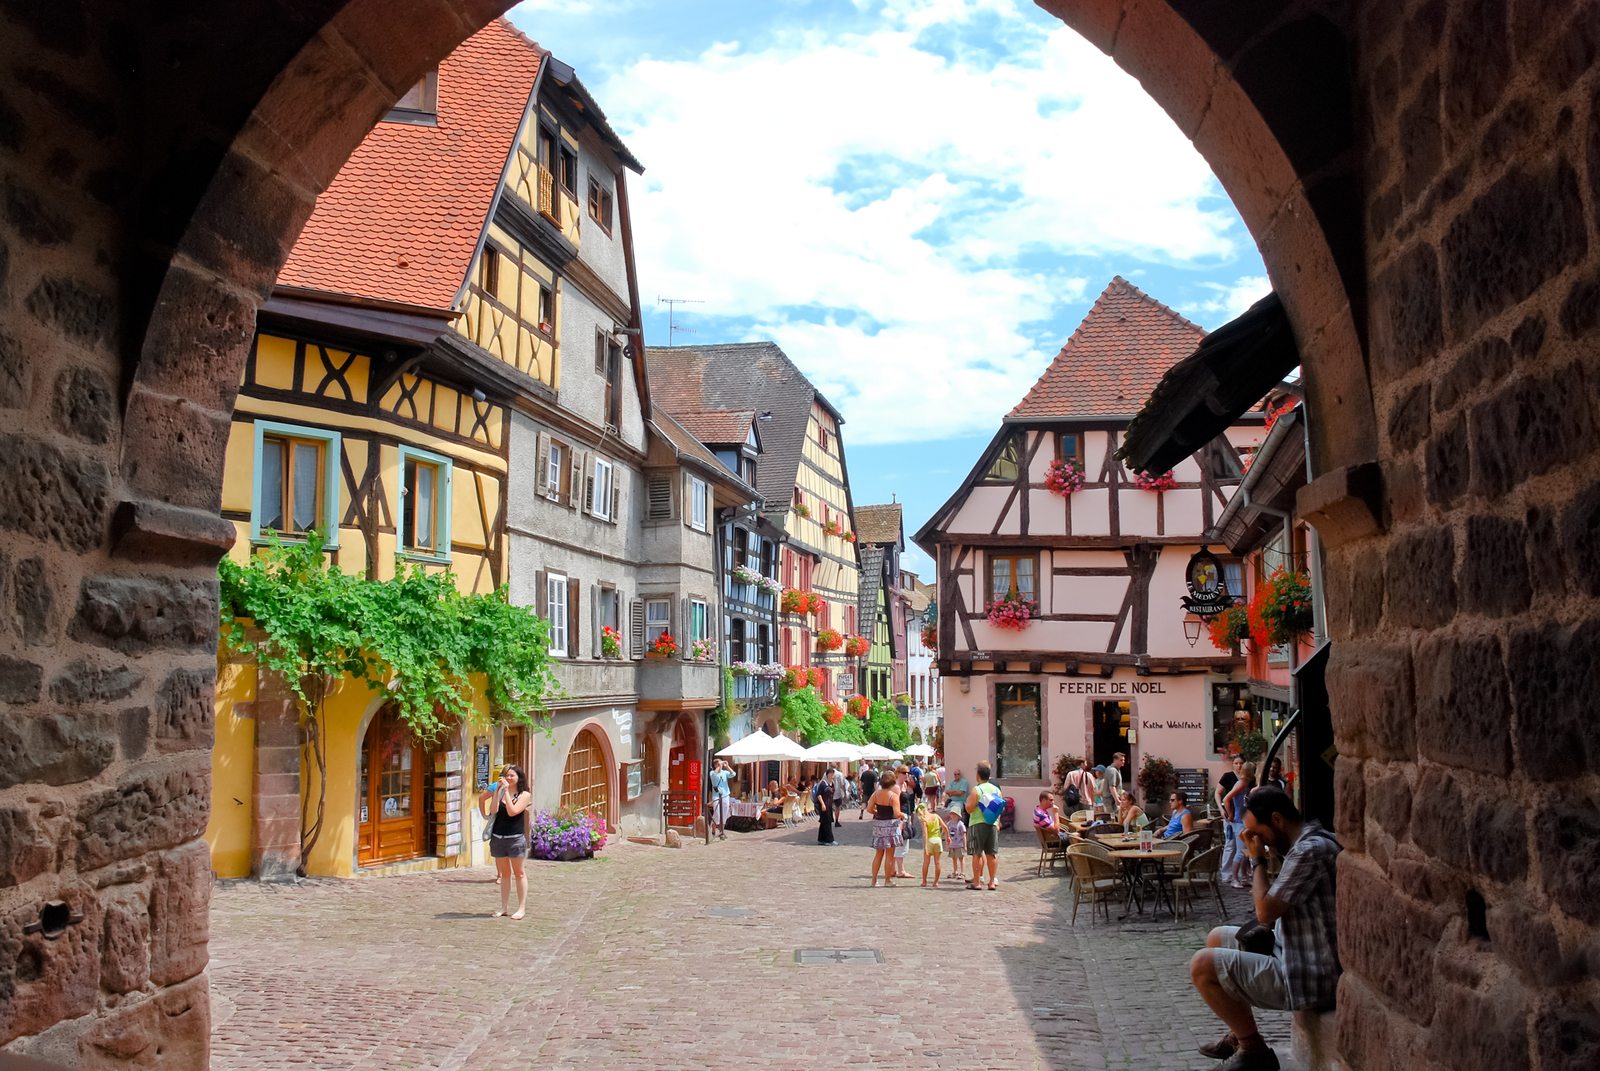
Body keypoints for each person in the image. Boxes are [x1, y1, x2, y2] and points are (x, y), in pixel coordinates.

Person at [1189, 787, 1341, 1071]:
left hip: (1307, 973)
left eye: (1257, 833)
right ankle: (1240, 1033)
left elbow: (1265, 913)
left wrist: (1257, 859)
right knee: (1216, 938)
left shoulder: (1310, 852)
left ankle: (1254, 1051)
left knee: (1201, 965)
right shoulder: (1305, 846)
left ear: (1277, 820)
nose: (1255, 841)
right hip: (1290, 951)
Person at [478, 765, 531, 920]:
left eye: (511, 776)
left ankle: (521, 908)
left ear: (518, 778)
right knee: (505, 874)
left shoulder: (524, 795)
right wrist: (498, 792)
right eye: (506, 776)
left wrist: (507, 792)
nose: (508, 779)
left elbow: (512, 811)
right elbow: (494, 810)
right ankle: (504, 907)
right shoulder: (500, 791)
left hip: (515, 838)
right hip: (498, 837)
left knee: (519, 873)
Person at [965, 761, 1003, 890]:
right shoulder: (996, 790)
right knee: (991, 853)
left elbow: (969, 808)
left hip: (977, 823)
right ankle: (992, 882)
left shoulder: (977, 789)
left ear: (978, 776)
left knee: (977, 853)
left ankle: (977, 882)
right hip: (992, 823)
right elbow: (999, 808)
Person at [1223, 762, 1258, 887]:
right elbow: (1226, 799)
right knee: (1240, 851)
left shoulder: (1245, 785)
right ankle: (1234, 878)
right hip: (1238, 821)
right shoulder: (1240, 784)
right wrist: (1230, 814)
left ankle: (1243, 877)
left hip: (1243, 820)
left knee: (1244, 850)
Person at [868, 771, 904, 886]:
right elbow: (897, 813)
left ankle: (874, 880)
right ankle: (887, 880)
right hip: (891, 825)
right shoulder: (893, 796)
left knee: (878, 854)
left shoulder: (876, 794)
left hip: (878, 824)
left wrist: (877, 812)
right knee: (889, 855)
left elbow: (869, 809)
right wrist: (903, 815)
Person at [919, 803, 948, 886]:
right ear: (927, 809)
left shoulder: (924, 819)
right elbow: (945, 827)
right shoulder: (936, 816)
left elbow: (925, 833)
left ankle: (924, 882)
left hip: (929, 841)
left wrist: (925, 847)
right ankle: (936, 882)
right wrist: (947, 837)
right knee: (938, 862)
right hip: (938, 841)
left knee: (926, 862)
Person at [896, 769, 918, 877]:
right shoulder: (896, 787)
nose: (906, 775)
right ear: (898, 773)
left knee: (905, 841)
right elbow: (895, 803)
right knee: (902, 842)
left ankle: (898, 869)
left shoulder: (905, 785)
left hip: (907, 814)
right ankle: (901, 870)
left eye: (908, 773)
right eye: (904, 773)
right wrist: (899, 817)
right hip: (901, 816)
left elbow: (915, 787)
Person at [709, 758, 736, 840]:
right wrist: (719, 767)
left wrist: (727, 767)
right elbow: (714, 775)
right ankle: (713, 830)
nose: (720, 765)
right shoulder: (712, 773)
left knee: (724, 813)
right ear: (715, 765)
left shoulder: (724, 773)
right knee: (717, 813)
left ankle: (722, 831)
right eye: (718, 764)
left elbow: (733, 774)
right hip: (717, 795)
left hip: (725, 795)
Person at [1216, 754, 1243, 819]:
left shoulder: (1248, 777)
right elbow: (1217, 793)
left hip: (1243, 813)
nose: (1239, 766)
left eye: (1241, 763)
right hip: (1229, 811)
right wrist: (1221, 809)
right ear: (1233, 764)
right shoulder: (1227, 776)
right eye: (1236, 763)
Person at [945, 808, 968, 882]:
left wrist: (965, 846)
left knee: (961, 858)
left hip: (959, 844)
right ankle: (955, 871)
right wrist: (947, 845)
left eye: (955, 814)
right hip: (952, 845)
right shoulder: (949, 824)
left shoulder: (960, 824)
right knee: (954, 858)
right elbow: (947, 835)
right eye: (952, 814)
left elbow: (964, 835)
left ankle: (963, 872)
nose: (953, 816)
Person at [816, 771, 837, 845]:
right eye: (831, 774)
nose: (832, 775)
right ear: (827, 775)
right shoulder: (823, 784)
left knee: (824, 822)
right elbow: (819, 795)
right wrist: (822, 804)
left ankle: (821, 839)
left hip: (829, 805)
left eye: (833, 774)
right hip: (824, 805)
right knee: (827, 821)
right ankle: (830, 840)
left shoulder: (832, 784)